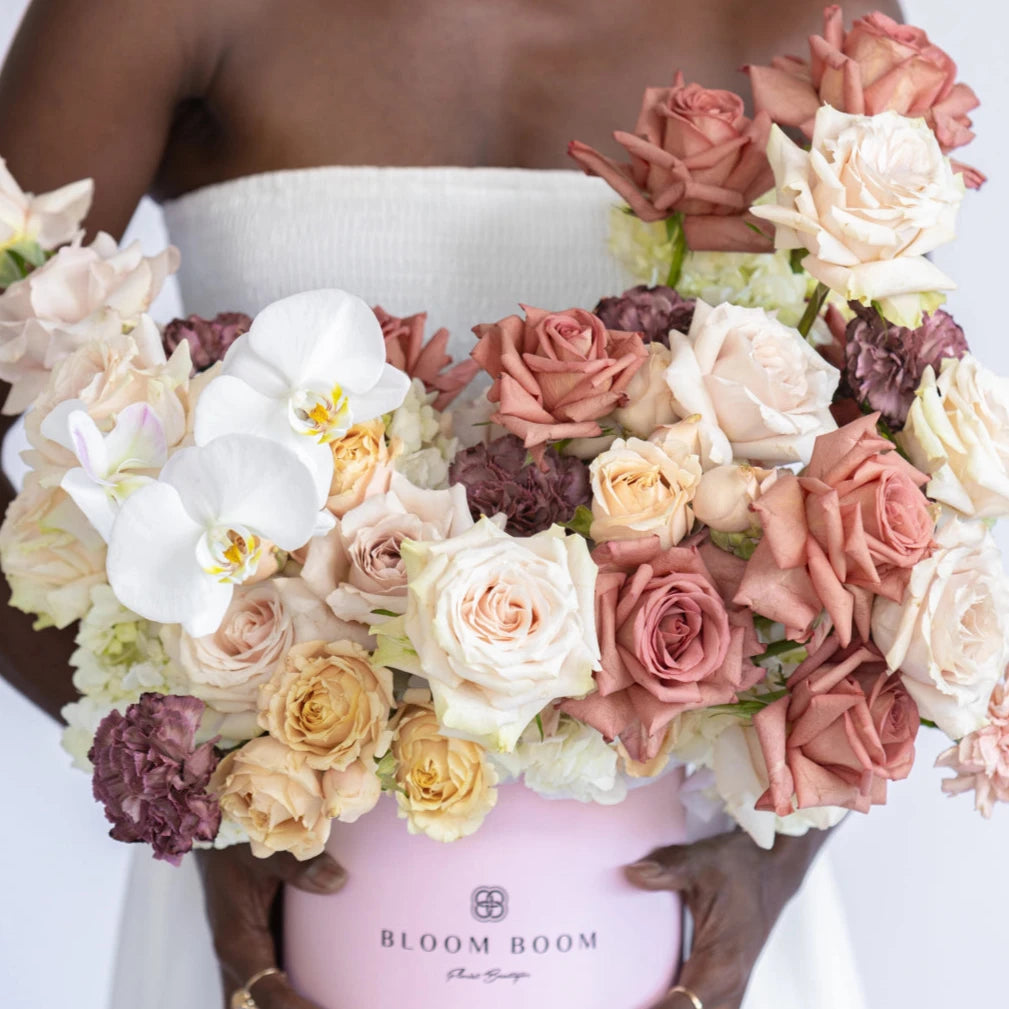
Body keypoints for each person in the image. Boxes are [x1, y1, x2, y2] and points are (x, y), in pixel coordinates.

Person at [0, 1, 901, 1007]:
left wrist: (776, 865)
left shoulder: (810, 14)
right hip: (281, 894)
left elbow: (886, 480)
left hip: (689, 935)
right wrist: (192, 783)